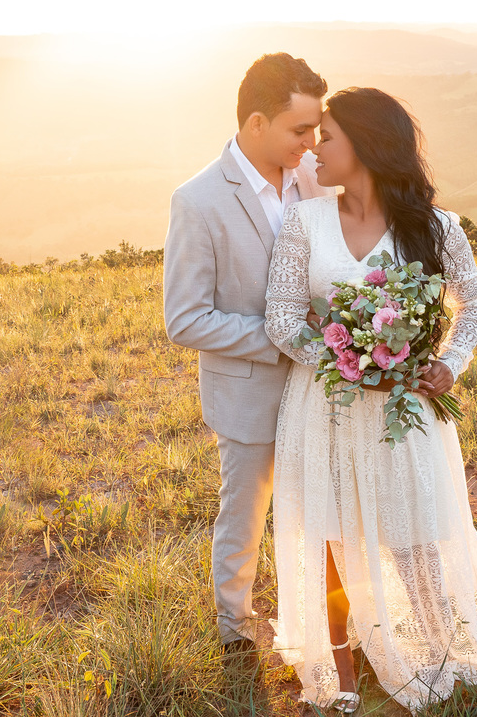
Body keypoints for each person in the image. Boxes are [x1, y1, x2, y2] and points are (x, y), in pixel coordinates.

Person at [264, 87, 477, 713]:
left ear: (368, 144)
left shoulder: (434, 228)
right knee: (329, 535)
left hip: (402, 405)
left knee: (413, 529)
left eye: (327, 137)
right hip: (324, 405)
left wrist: (448, 365)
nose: (314, 150)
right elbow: (280, 318)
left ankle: (440, 643)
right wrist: (345, 360)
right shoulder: (305, 222)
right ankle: (342, 670)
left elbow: (475, 302)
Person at [163, 53, 334, 655]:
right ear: (256, 122)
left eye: (316, 130)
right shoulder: (198, 201)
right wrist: (283, 338)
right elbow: (184, 319)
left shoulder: (311, 176)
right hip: (249, 391)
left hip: (324, 386)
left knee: (326, 504)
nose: (312, 143)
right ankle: (235, 628)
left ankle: (326, 620)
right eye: (299, 129)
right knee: (245, 513)